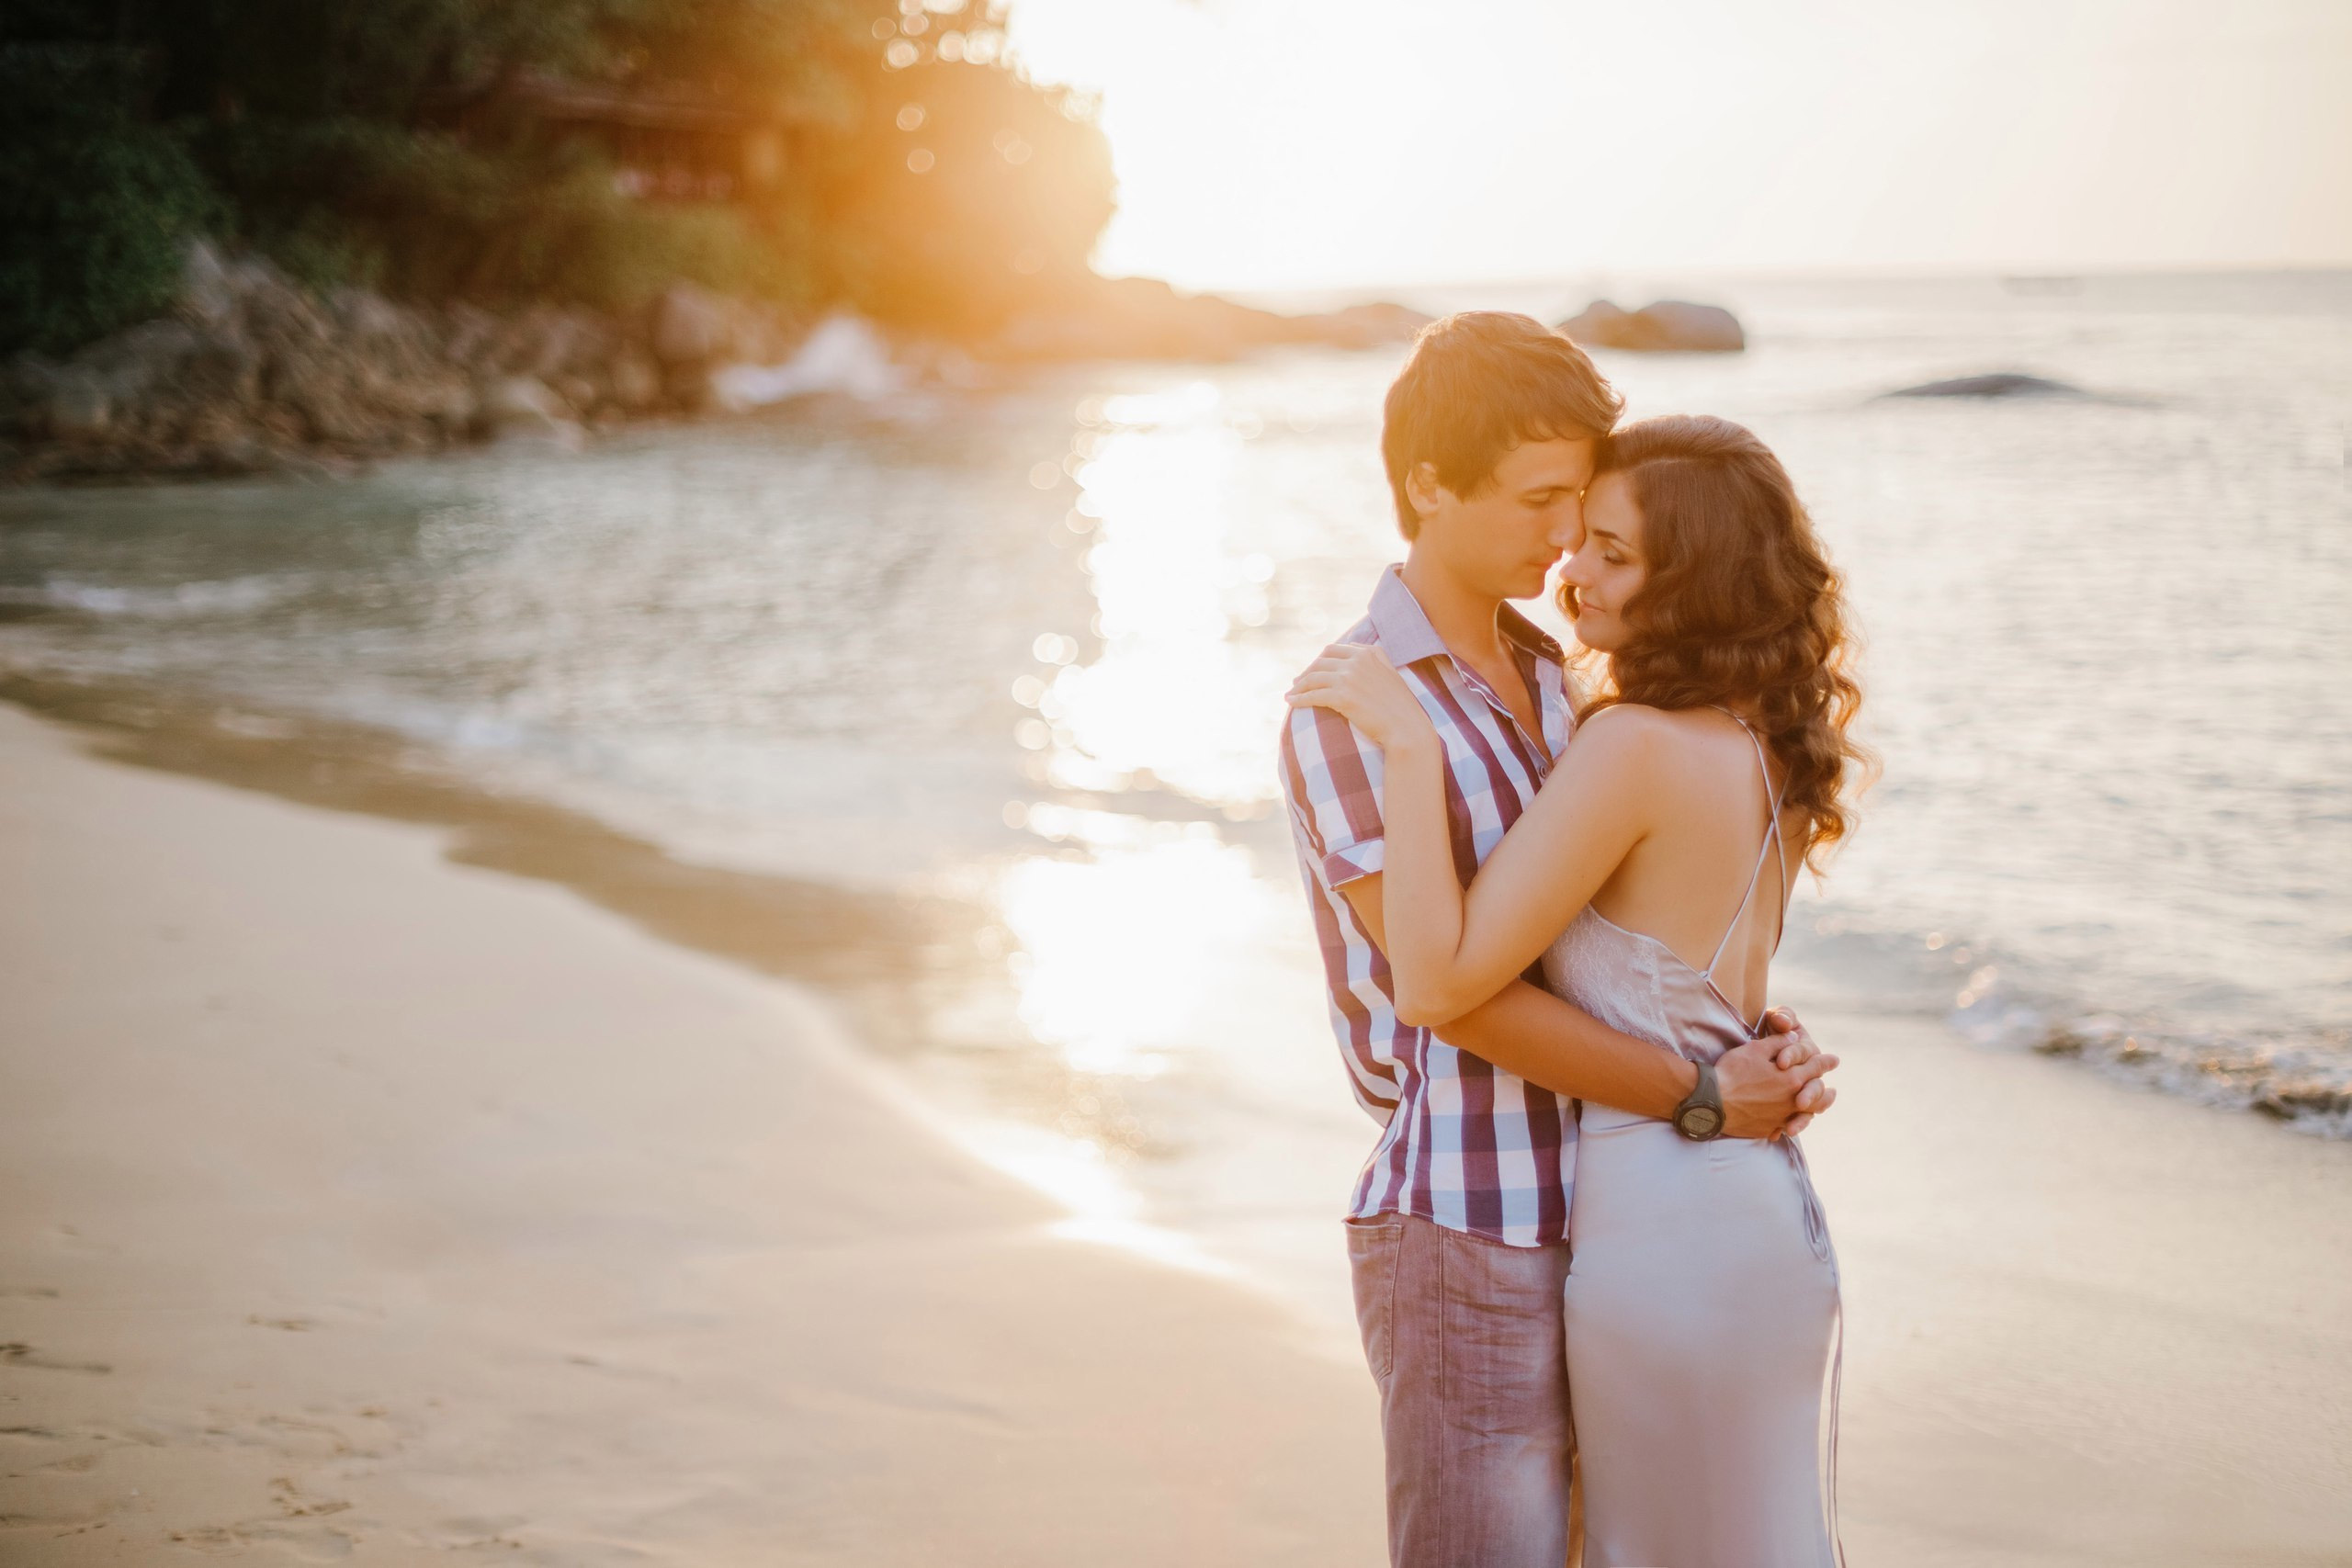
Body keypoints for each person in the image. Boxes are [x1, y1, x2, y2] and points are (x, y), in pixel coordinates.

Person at [1275, 313, 1839, 1568]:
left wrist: (1734, 1036)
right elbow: (1454, 999)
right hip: (1473, 1211)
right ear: (1428, 483)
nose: (1565, 543)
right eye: (1544, 505)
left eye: (1585, 513)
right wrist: (1704, 1094)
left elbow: (1625, 925)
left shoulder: (1561, 684)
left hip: (1613, 1214)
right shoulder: (1353, 707)